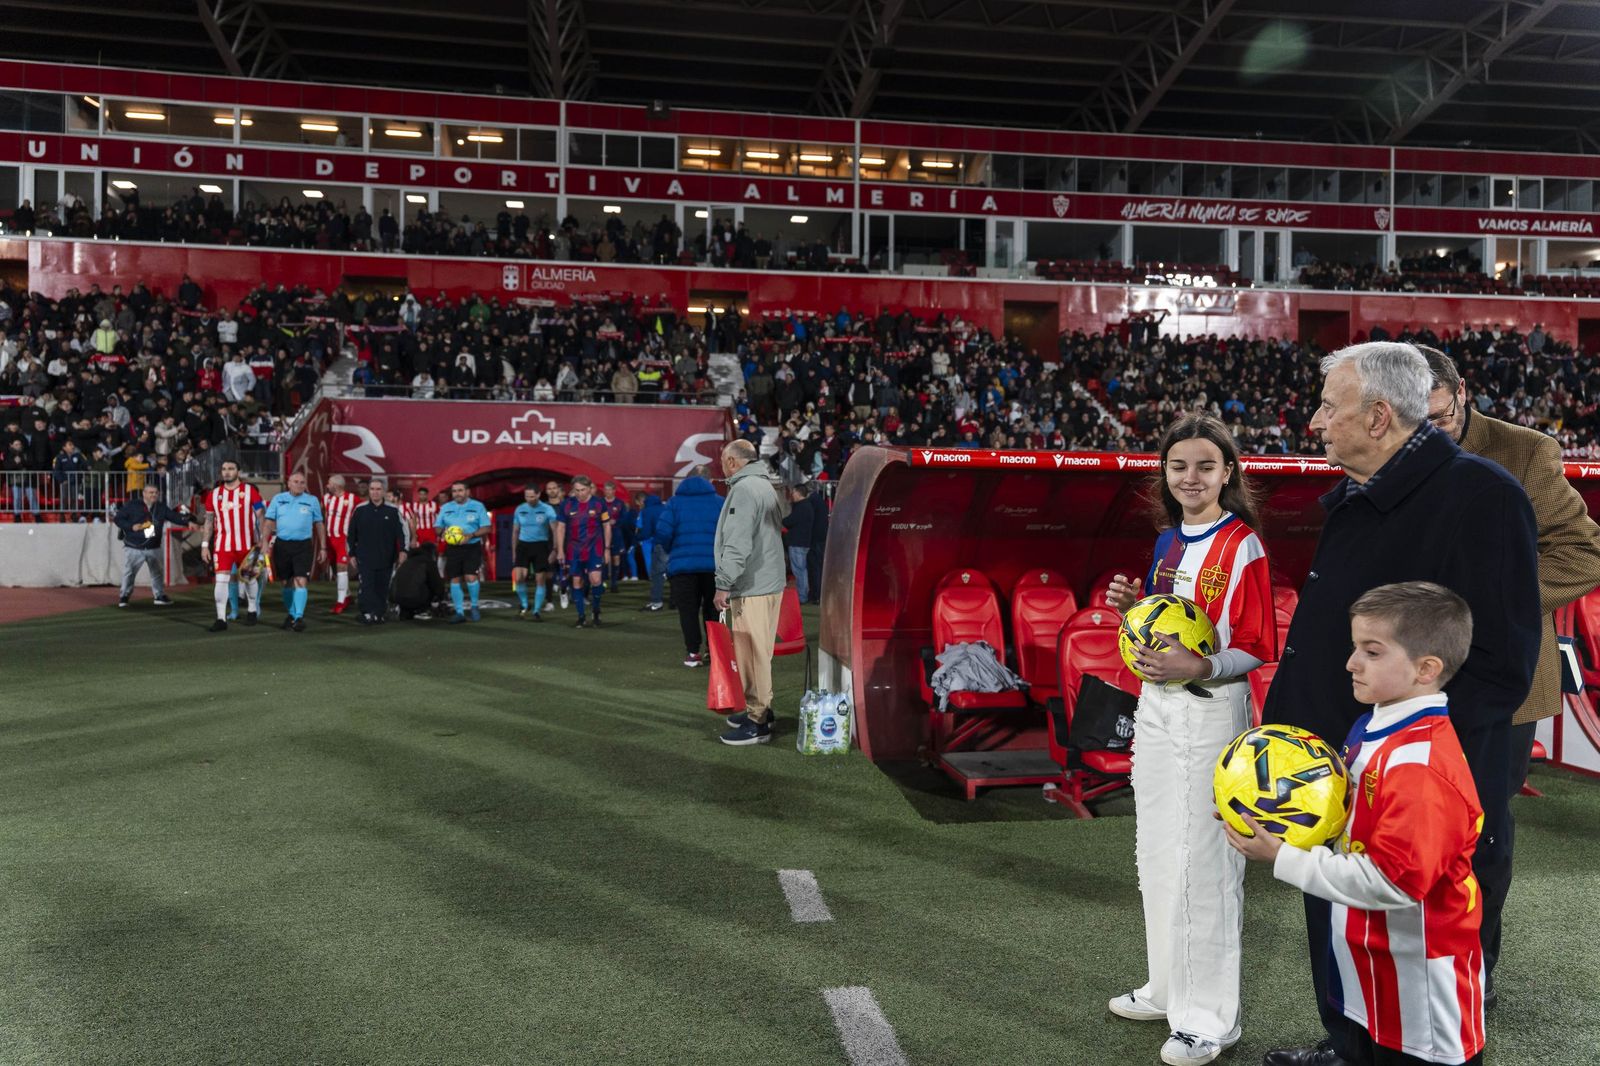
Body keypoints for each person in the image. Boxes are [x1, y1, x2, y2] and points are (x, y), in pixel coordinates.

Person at [1260, 342, 1540, 1066]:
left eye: (1329, 405)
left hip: (1402, 787)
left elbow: (1500, 665)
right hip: (1335, 771)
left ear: (1380, 416)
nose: (1315, 420)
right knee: (1338, 929)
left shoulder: (1481, 496)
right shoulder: (1365, 491)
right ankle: (1345, 1045)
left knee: (1409, 948)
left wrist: (1396, 749)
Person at [1228, 582, 1486, 1066]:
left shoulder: (1420, 768)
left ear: (1427, 669)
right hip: (1373, 956)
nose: (1351, 662)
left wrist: (1283, 857)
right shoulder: (1375, 723)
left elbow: (1393, 881)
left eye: (1372, 651)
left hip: (1420, 980)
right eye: (1354, 647)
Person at [1421, 346, 1600, 987]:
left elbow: (1583, 554)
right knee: (1404, 829)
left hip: (1504, 684)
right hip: (1406, 684)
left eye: (1438, 419)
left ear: (1463, 393)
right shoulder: (1385, 447)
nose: (1425, 435)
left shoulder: (1526, 452)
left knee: (1482, 834)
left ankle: (1473, 972)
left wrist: (1486, 606)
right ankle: (1404, 972)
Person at [1103, 414, 1276, 1066]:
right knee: (1156, 850)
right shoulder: (1167, 542)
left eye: (1206, 465)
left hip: (1211, 710)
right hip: (1157, 708)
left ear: (1227, 473)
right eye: (1179, 466)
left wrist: (1199, 666)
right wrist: (1131, 608)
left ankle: (1209, 1020)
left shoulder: (1243, 545)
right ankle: (1166, 988)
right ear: (1165, 475)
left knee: (1206, 862)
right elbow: (1166, 628)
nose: (1192, 477)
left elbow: (1257, 645)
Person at [712, 439, 790, 745]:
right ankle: (761, 709)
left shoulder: (744, 489)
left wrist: (723, 583)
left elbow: (737, 541)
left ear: (733, 461)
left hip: (753, 584)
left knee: (751, 653)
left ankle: (757, 721)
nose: (721, 465)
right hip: (769, 581)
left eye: (723, 460)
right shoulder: (765, 485)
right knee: (760, 651)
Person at [654, 465, 724, 667]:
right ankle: (714, 650)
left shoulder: (675, 503)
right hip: (714, 566)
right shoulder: (720, 502)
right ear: (710, 481)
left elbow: (662, 532)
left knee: (688, 611)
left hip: (682, 566)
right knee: (714, 610)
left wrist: (673, 550)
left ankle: (693, 652)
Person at [199, 459, 265, 632]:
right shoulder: (214, 494)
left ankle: (251, 609)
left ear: (238, 471)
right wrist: (205, 545)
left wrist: (264, 540)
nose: (227, 472)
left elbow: (261, 516)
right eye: (224, 469)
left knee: (250, 579)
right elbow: (209, 520)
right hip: (223, 546)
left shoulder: (249, 491)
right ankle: (221, 619)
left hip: (248, 545)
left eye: (231, 469)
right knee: (221, 581)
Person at [261, 471, 327, 633]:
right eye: (296, 481)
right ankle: (291, 614)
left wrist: (323, 547)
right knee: (286, 583)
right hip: (282, 545)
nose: (299, 485)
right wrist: (264, 542)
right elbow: (269, 522)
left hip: (303, 546)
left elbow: (319, 524)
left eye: (302, 482)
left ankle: (298, 617)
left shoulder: (312, 501)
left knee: (300, 580)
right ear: (288, 483)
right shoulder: (278, 499)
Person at [112, 483, 192, 607]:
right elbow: (118, 519)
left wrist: (189, 520)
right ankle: (124, 596)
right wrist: (131, 526)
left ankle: (159, 595)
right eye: (151, 492)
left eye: (156, 492)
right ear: (144, 493)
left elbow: (174, 517)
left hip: (154, 546)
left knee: (157, 573)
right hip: (134, 546)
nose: (154, 495)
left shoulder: (161, 507)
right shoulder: (132, 505)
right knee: (129, 573)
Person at [553, 475, 612, 628]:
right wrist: (560, 550)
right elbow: (560, 528)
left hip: (595, 548)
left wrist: (607, 549)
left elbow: (606, 526)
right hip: (574, 550)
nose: (580, 493)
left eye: (583, 490)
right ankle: (581, 616)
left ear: (590, 488)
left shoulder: (599, 504)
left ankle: (596, 611)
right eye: (577, 490)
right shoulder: (566, 504)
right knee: (577, 582)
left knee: (596, 580)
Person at [347, 477, 408, 624]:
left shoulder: (393, 511)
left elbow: (403, 532)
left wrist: (404, 551)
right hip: (364, 557)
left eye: (378, 489)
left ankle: (379, 613)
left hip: (387, 557)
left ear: (384, 491)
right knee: (367, 586)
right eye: (372, 489)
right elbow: (351, 533)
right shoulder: (360, 510)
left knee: (382, 586)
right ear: (369, 491)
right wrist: (351, 554)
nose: (375, 492)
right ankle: (367, 613)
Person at [434, 481, 491, 624]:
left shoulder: (478, 506)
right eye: (454, 491)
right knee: (454, 578)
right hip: (452, 548)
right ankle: (459, 612)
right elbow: (437, 528)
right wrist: (444, 533)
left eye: (460, 490)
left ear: (467, 492)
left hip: (472, 547)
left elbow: (486, 528)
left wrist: (470, 536)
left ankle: (474, 607)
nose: (457, 494)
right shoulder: (446, 508)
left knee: (470, 577)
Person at [511, 484, 558, 620]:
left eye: (532, 496)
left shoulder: (547, 509)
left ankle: (536, 611)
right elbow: (515, 531)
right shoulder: (520, 509)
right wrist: (514, 551)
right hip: (523, 546)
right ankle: (525, 604)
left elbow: (555, 530)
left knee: (540, 580)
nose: (529, 499)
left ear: (538, 495)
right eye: (527, 496)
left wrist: (555, 549)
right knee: (519, 578)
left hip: (541, 546)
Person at [321, 474, 360, 615]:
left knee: (341, 567)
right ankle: (347, 595)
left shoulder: (353, 499)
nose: (327, 485)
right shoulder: (326, 499)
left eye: (329, 483)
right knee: (335, 569)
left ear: (336, 486)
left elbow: (361, 517)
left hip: (344, 539)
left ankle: (340, 602)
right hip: (329, 538)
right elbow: (323, 516)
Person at [392, 541, 445, 620]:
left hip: (397, 598)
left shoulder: (407, 562)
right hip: (416, 598)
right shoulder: (428, 563)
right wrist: (441, 597)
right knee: (431, 585)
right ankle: (422, 610)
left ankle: (405, 611)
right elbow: (437, 584)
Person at [636, 489, 667, 612]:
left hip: (659, 543)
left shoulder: (647, 511)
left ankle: (656, 602)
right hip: (673, 543)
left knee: (657, 574)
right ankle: (675, 601)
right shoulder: (666, 508)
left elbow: (646, 532)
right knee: (675, 574)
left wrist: (636, 538)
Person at [783, 483, 815, 604]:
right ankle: (803, 594)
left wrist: (783, 521)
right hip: (803, 542)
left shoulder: (802, 507)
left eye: (793, 492)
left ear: (798, 493)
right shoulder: (807, 506)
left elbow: (789, 521)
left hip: (797, 543)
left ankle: (802, 596)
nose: (792, 495)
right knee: (802, 570)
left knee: (799, 570)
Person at [544, 479, 569, 610]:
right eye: (549, 488)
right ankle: (549, 601)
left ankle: (563, 591)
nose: (552, 490)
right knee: (548, 572)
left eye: (554, 488)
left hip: (565, 542)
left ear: (558, 490)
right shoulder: (543, 507)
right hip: (547, 543)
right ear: (546, 491)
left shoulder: (566, 506)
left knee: (565, 569)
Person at [600, 480, 627, 591]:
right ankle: (603, 581)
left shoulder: (619, 503)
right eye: (606, 490)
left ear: (614, 491)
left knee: (616, 557)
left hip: (616, 533)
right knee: (603, 558)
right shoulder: (600, 502)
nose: (608, 492)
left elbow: (625, 518)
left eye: (610, 490)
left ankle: (614, 583)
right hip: (602, 533)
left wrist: (616, 521)